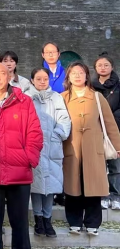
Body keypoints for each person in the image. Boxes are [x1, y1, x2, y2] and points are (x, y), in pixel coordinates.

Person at [0, 63, 43, 250]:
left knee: (20, 226)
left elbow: (35, 133)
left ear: (9, 76)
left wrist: (28, 158)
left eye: (2, 74)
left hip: (19, 172)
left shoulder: (24, 101)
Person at [62, 61, 120, 236]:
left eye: (81, 72)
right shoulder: (63, 97)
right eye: (74, 73)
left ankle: (92, 223)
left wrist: (117, 145)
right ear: (68, 77)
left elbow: (109, 123)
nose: (77, 76)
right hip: (71, 148)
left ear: (87, 76)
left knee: (93, 185)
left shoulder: (97, 97)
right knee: (73, 185)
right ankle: (74, 221)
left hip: (93, 148)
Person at [27, 67, 71, 238]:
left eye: (45, 79)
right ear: (32, 80)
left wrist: (57, 135)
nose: (42, 82)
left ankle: (48, 219)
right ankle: (38, 219)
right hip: (34, 146)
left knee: (50, 185)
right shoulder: (27, 97)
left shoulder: (56, 98)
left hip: (52, 146)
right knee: (36, 185)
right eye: (38, 79)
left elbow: (64, 119)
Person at [92, 53, 120, 210]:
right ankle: (103, 195)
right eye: (99, 65)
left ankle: (116, 195)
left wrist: (111, 118)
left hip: (116, 129)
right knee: (99, 165)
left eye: (106, 65)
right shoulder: (91, 86)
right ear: (95, 68)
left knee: (115, 164)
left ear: (112, 67)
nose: (103, 68)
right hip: (97, 130)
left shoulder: (118, 86)